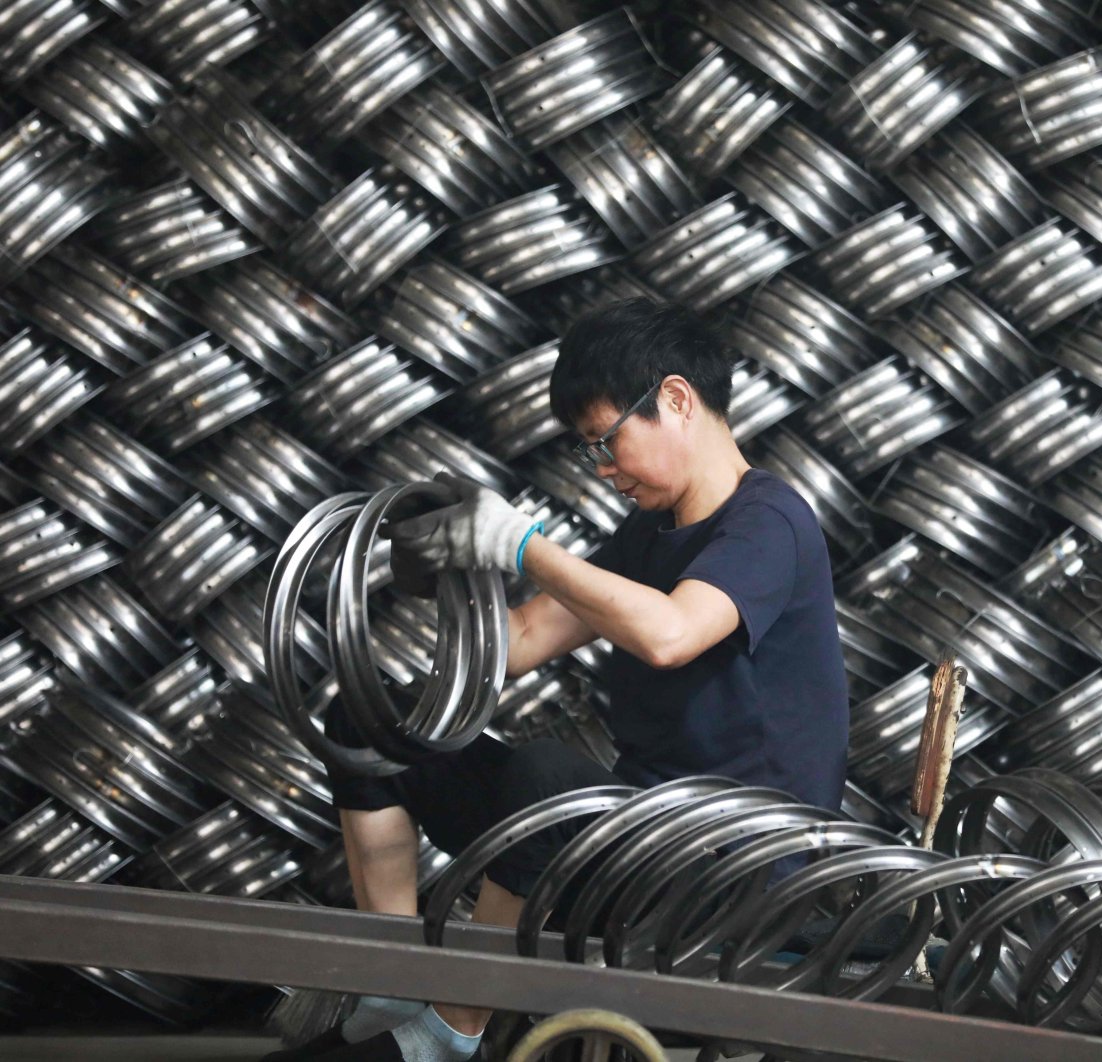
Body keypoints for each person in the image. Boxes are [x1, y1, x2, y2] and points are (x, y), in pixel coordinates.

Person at [266, 298, 850, 1061]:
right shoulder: (648, 536)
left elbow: (669, 633)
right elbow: (520, 639)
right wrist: (449, 569)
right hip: (635, 847)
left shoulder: (768, 520)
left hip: (734, 873)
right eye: (592, 453)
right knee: (370, 727)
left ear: (675, 400)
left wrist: (517, 542)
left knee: (547, 776)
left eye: (607, 442)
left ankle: (451, 1030)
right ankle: (394, 985)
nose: (604, 470)